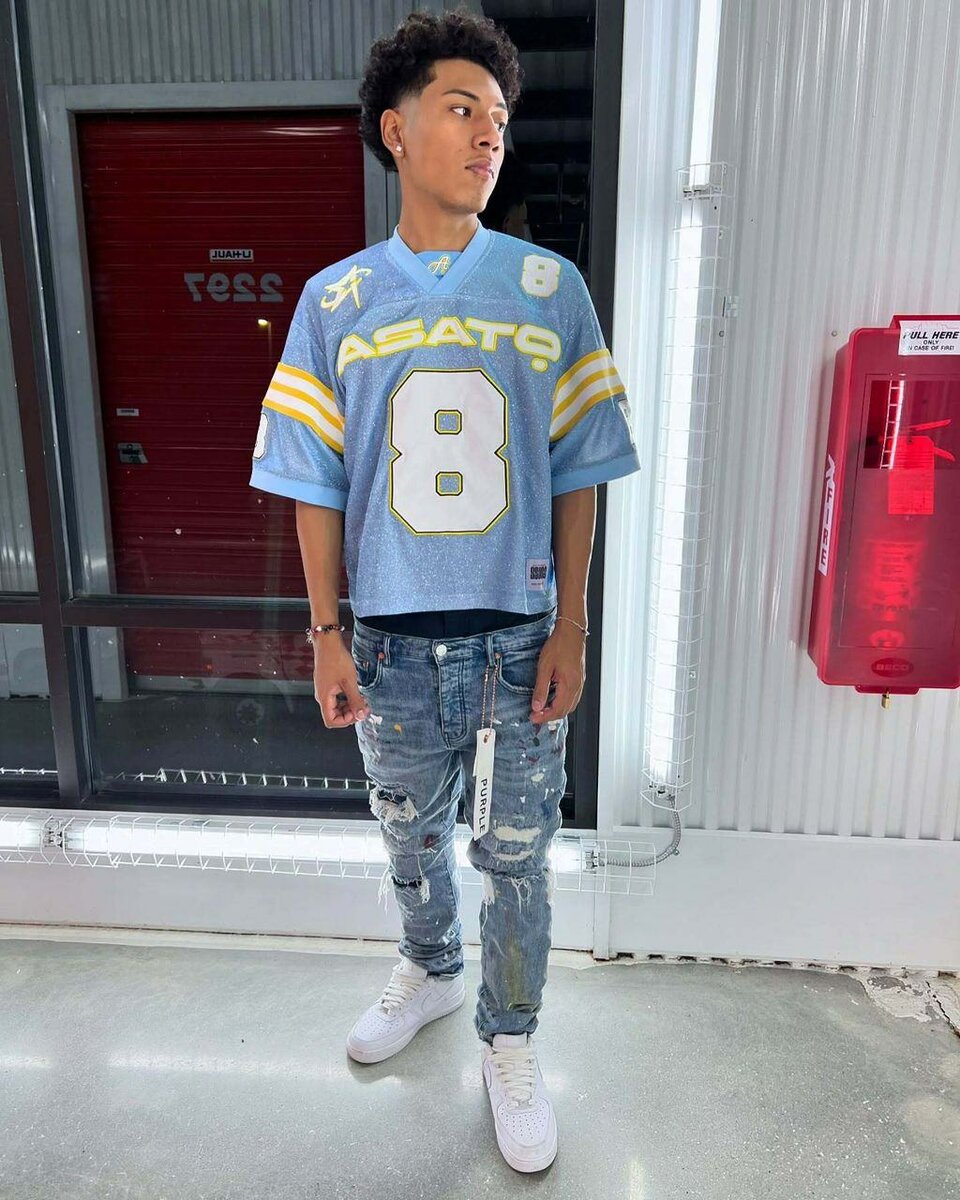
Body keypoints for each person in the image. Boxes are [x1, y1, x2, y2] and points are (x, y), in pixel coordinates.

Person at [249, 6, 640, 1175]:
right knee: (408, 835)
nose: (487, 137)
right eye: (462, 109)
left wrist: (573, 624)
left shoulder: (549, 287)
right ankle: (430, 967)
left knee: (517, 857)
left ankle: (510, 1039)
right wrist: (326, 633)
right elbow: (312, 480)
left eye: (500, 119)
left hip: (520, 635)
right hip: (390, 641)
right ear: (396, 129)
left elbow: (580, 469)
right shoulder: (334, 302)